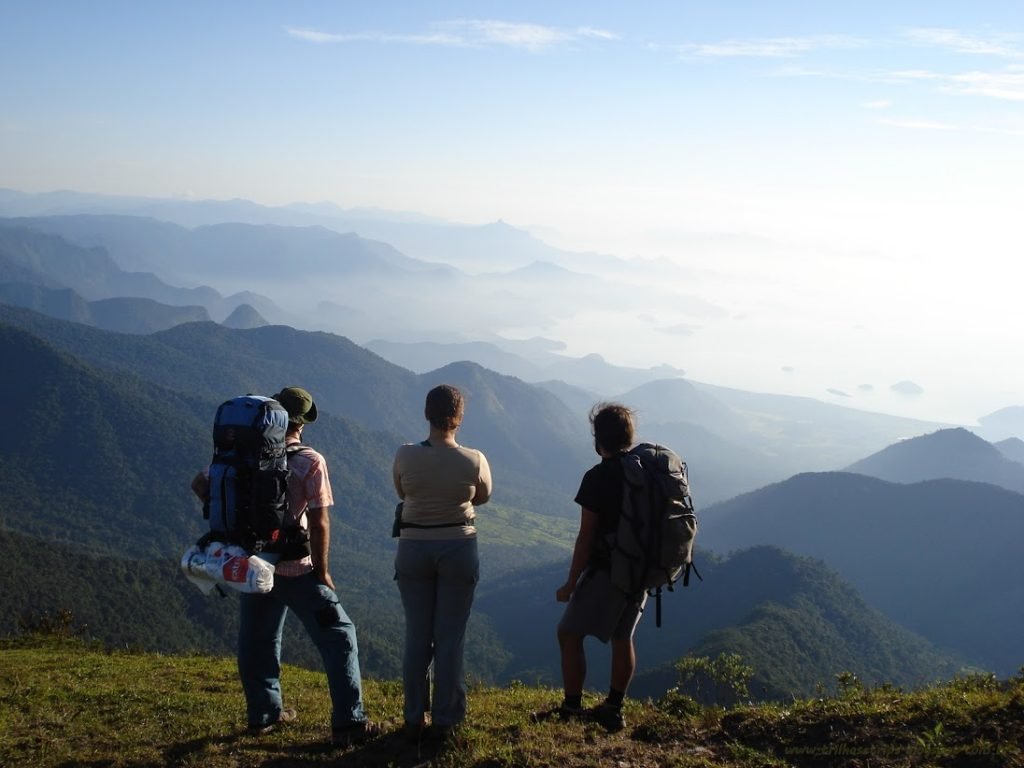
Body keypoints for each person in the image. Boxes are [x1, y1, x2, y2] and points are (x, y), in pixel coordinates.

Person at [191, 387, 379, 748]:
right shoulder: (310, 460)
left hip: (252, 567)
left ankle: (264, 715)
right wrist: (323, 571)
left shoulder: (243, 454)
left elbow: (200, 482)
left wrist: (232, 526)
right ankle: (350, 724)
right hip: (296, 568)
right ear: (302, 424)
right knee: (340, 637)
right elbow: (320, 521)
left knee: (258, 641)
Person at [392, 384, 492, 742]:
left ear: (426, 414)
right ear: (459, 418)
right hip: (458, 546)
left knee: (417, 635)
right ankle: (446, 720)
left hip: (413, 546)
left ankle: (413, 717)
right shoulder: (474, 459)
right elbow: (483, 496)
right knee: (450, 637)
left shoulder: (405, 454)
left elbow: (402, 491)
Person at [555, 402, 646, 732]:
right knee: (623, 637)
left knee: (568, 633)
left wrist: (569, 583)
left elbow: (586, 537)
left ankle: (571, 708)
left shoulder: (597, 477)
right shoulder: (644, 472)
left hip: (608, 570)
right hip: (641, 570)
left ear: (598, 439)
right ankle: (614, 707)